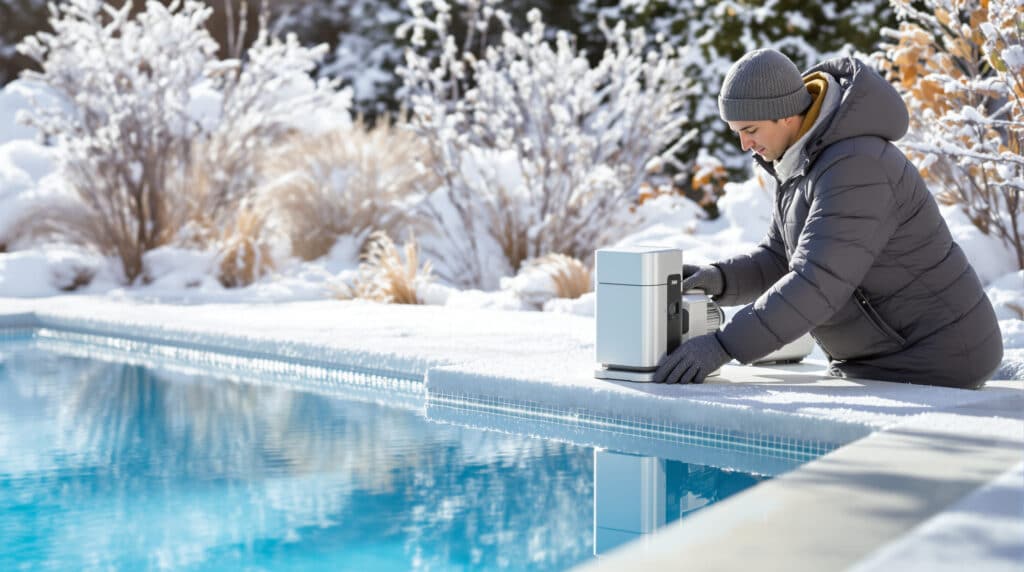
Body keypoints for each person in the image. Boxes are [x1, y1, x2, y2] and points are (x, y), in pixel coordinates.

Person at [653, 48, 1003, 389]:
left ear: (785, 114)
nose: (744, 144)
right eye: (737, 132)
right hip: (884, 359)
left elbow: (817, 281)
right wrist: (719, 279)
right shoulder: (802, 162)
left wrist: (724, 345)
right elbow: (780, 258)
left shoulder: (858, 165)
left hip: (938, 359)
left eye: (751, 130)